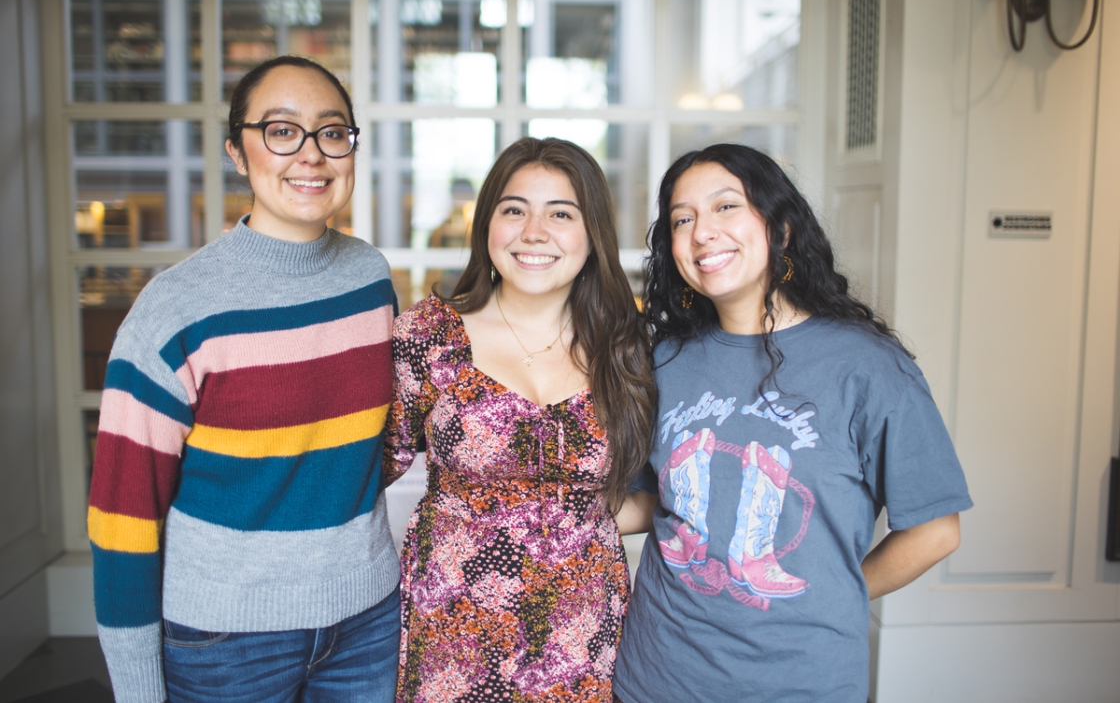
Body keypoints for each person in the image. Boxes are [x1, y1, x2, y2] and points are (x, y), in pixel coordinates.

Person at [87, 55, 400, 703]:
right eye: (281, 131)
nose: (310, 155)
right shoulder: (175, 310)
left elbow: (371, 448)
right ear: (237, 151)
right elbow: (123, 515)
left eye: (332, 131)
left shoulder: (370, 279)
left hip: (368, 617)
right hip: (225, 638)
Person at [612, 144, 972, 703]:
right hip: (657, 676)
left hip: (801, 682)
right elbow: (646, 502)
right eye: (684, 219)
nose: (703, 232)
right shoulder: (666, 361)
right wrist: (538, 506)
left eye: (726, 207)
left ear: (780, 228)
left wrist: (836, 593)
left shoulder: (868, 367)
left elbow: (935, 530)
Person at [384, 137, 657, 702]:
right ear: (487, 225)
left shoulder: (626, 347)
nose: (535, 232)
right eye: (514, 210)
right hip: (453, 634)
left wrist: (578, 512)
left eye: (561, 213)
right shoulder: (427, 337)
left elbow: (672, 488)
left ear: (592, 235)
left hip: (583, 635)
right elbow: (364, 471)